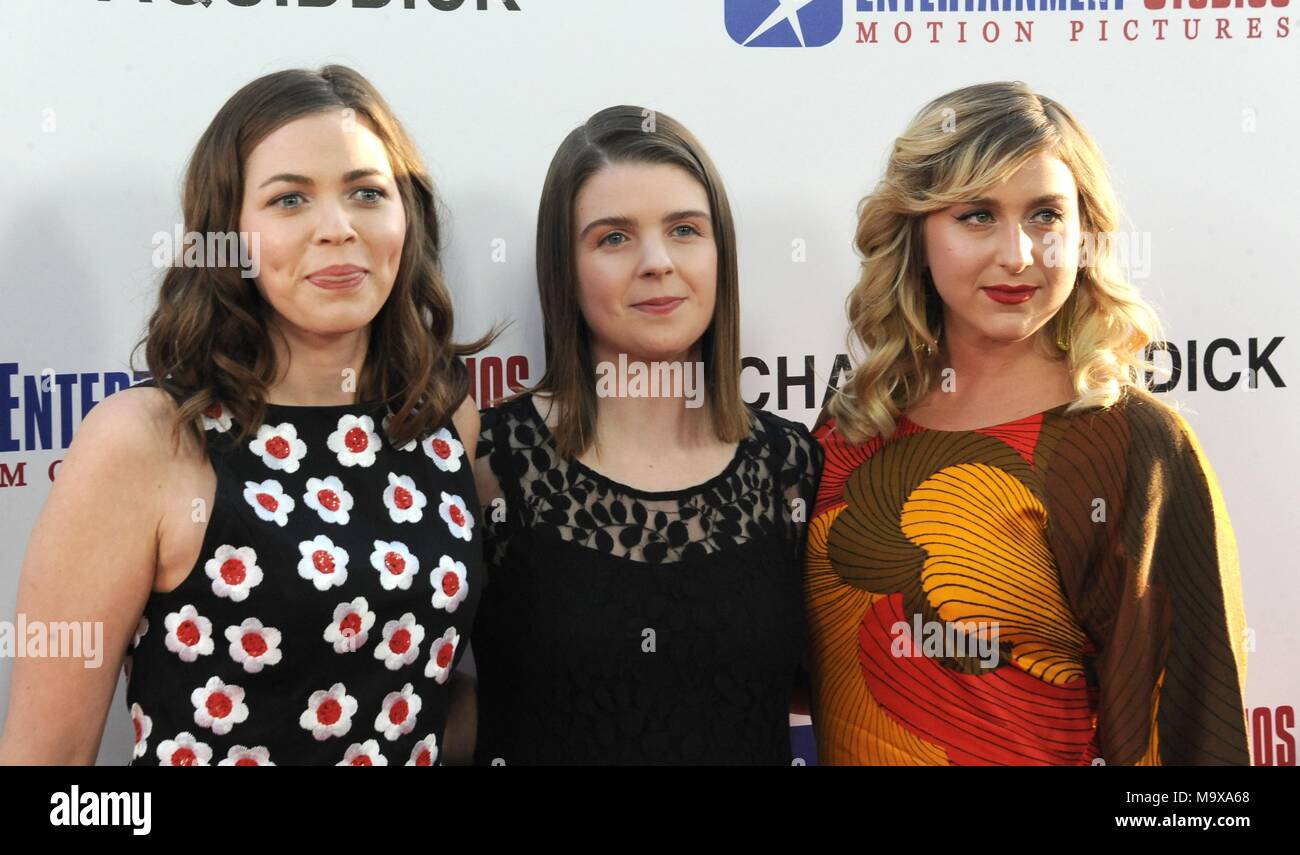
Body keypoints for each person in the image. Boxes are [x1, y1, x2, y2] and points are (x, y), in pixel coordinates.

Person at [0, 65, 489, 766]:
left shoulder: (442, 419)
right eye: (290, 199)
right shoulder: (149, 441)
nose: (337, 228)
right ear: (226, 234)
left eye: (366, 193)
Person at [805, 81, 1249, 765]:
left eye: (1046, 215)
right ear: (917, 234)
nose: (1019, 253)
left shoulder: (1130, 443)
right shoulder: (847, 435)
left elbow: (1196, 740)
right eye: (977, 215)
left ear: (1084, 236)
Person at [469, 106, 823, 764]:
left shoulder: (791, 466)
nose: (657, 262)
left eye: (685, 230)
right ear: (563, 268)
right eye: (613, 238)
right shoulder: (488, 462)